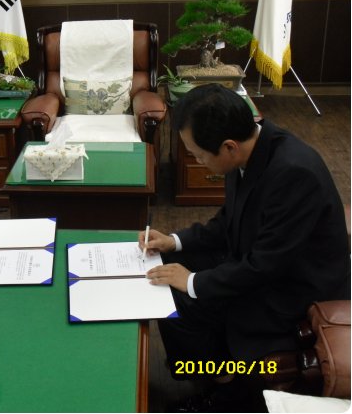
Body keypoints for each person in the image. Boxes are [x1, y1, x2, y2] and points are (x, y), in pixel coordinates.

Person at [139, 84, 350, 411]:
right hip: (261, 258)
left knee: (179, 300)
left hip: (295, 286)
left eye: (197, 153)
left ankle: (228, 389)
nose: (196, 159)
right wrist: (174, 240)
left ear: (228, 147)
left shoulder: (294, 173)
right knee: (168, 260)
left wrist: (193, 281)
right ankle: (212, 372)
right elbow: (230, 221)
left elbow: (265, 266)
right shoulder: (253, 148)